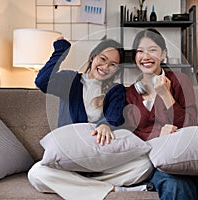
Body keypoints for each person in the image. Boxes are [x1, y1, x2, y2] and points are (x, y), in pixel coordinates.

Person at [124, 28, 198, 200]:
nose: (146, 56)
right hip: (159, 162)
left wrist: (166, 95)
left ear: (163, 54)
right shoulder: (129, 93)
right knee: (177, 186)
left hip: (192, 154)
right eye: (140, 51)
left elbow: (189, 123)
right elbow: (129, 133)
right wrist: (158, 135)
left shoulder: (181, 81)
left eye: (152, 50)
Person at [28, 37, 153, 200]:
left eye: (113, 65)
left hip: (101, 161)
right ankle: (111, 190)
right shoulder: (70, 81)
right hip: (70, 160)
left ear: (117, 69)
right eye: (102, 59)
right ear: (93, 57)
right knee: (36, 174)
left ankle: (79, 186)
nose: (105, 67)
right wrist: (61, 50)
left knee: (144, 165)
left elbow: (114, 116)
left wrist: (105, 124)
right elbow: (42, 81)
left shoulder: (116, 90)